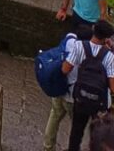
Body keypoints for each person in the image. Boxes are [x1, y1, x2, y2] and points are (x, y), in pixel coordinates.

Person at [62, 19, 114, 151]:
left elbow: (65, 69)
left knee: (76, 133)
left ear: (94, 31)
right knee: (100, 132)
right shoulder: (109, 56)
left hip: (81, 98)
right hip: (100, 103)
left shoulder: (79, 47)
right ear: (106, 38)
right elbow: (113, 87)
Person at [43, 23, 92, 151]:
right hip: (71, 96)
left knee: (54, 116)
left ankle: (48, 146)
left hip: (58, 88)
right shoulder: (84, 54)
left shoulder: (69, 40)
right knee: (76, 126)